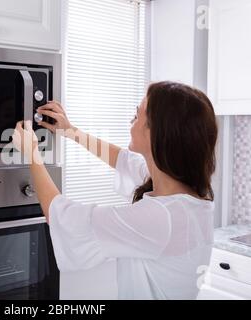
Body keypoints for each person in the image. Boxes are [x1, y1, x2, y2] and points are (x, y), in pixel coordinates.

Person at [12, 81, 218, 300]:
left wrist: (32, 154)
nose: (131, 121)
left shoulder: (160, 218)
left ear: (157, 134)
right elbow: (122, 160)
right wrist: (70, 132)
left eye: (137, 116)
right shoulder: (186, 195)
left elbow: (63, 216)